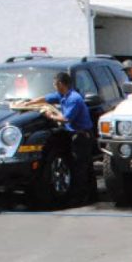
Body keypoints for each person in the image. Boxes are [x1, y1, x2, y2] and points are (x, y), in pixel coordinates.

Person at [21, 72, 94, 203]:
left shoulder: (74, 99)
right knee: (83, 165)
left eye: (55, 84)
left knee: (81, 166)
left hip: (81, 135)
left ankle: (81, 197)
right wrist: (29, 103)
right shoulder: (62, 95)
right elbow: (47, 98)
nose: (54, 86)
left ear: (60, 84)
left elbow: (66, 119)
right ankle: (88, 194)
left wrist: (50, 116)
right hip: (76, 134)